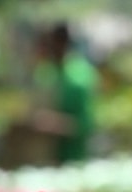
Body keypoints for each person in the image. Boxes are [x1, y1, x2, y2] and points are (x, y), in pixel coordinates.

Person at [30, 23, 98, 164]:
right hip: (43, 161)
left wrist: (53, 123)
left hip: (74, 159)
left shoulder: (80, 75)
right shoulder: (46, 72)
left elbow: (86, 125)